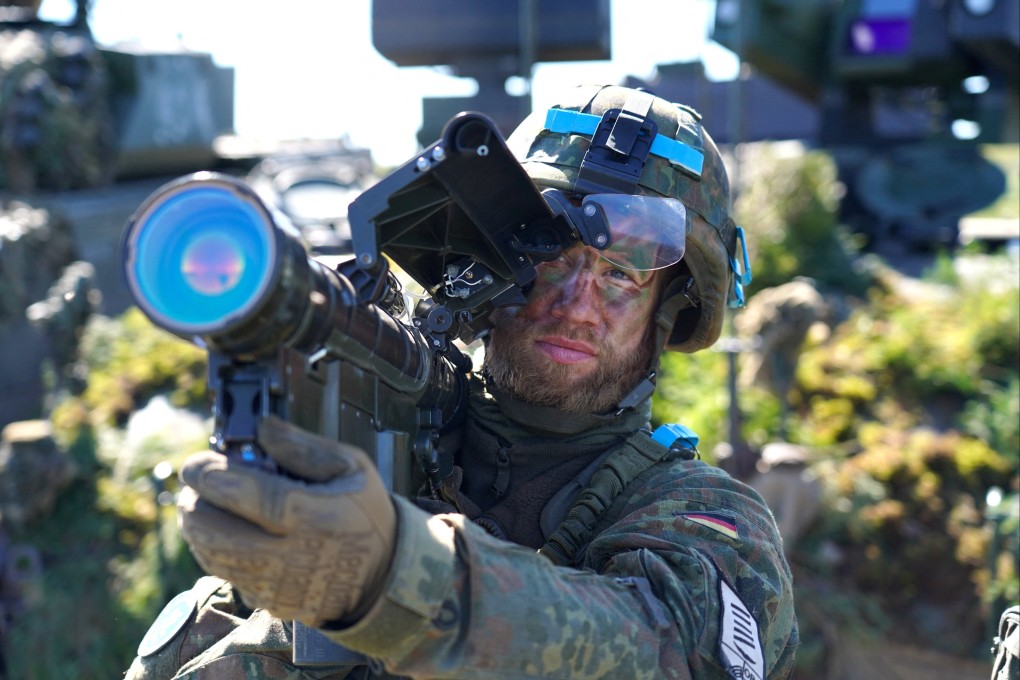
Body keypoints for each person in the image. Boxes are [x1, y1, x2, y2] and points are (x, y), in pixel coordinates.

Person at [125, 84, 798, 680]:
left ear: (668, 312)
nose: (576, 305)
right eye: (549, 260)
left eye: (621, 275)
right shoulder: (401, 426)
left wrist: (396, 577)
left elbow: (663, 652)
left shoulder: (704, 516)